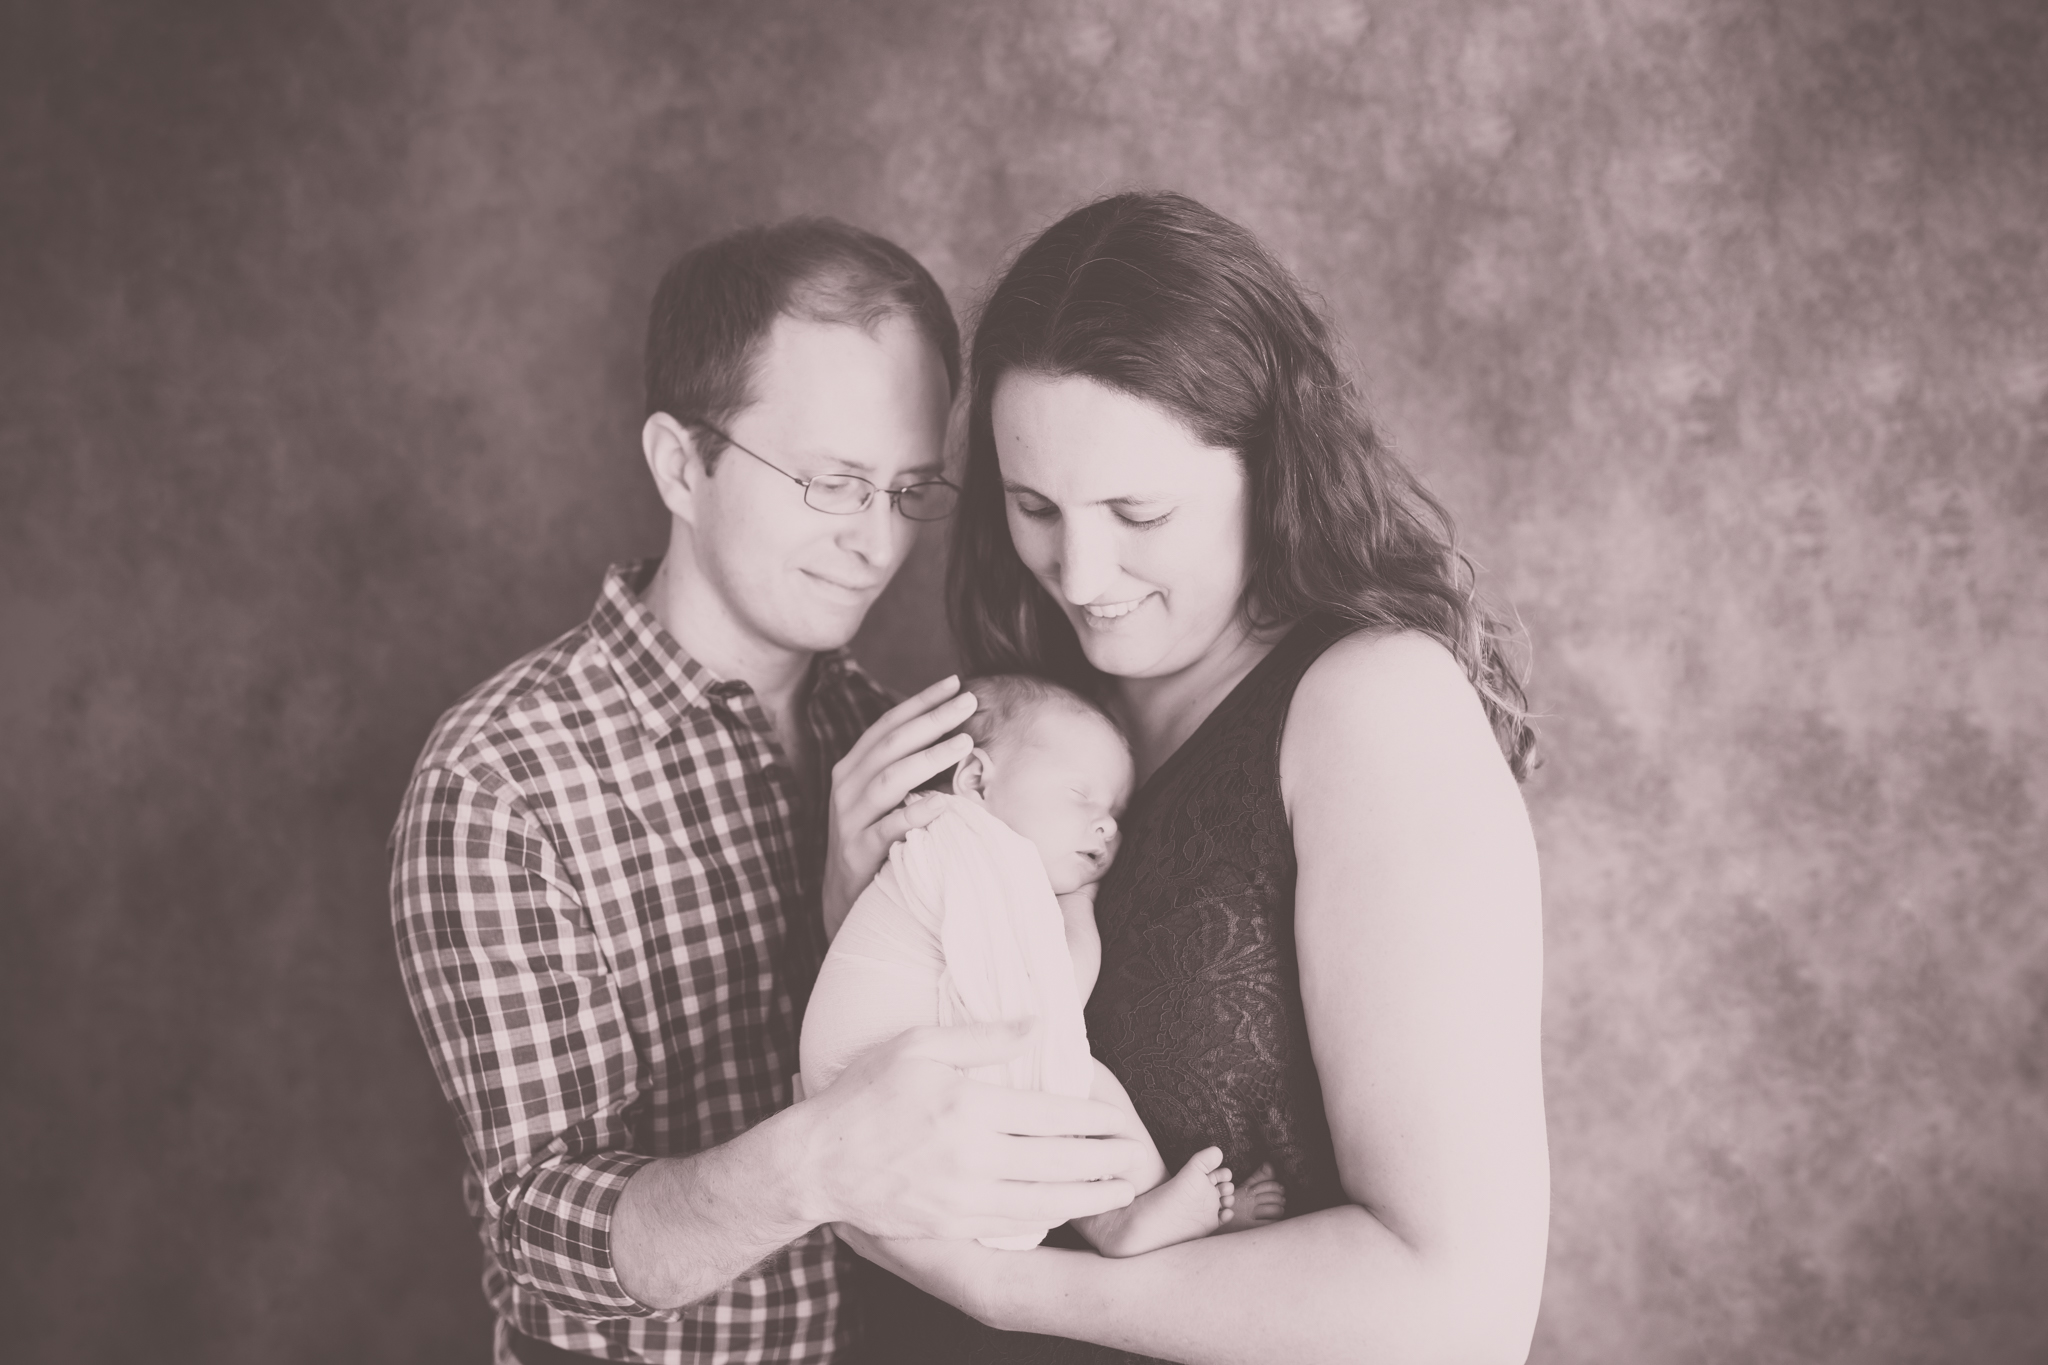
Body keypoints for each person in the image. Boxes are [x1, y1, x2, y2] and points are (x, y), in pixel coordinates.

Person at [390, 218, 1150, 1365]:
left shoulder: (920, 743)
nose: (874, 542)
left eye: (907, 490)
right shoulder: (504, 783)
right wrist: (820, 1156)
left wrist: (854, 915)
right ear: (680, 464)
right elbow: (544, 1230)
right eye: (832, 483)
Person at [843, 191, 1551, 1364]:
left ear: (1267, 466)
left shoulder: (1371, 707)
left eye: (1137, 511)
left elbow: (1457, 1312)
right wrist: (851, 887)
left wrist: (1013, 1290)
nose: (1080, 570)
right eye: (1033, 507)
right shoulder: (1042, 720)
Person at [798, 674, 1288, 1258]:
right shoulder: (967, 850)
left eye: (1116, 812)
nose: (1107, 826)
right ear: (976, 780)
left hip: (861, 1118)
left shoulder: (949, 850)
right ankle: (1131, 1213)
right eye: (1080, 796)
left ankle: (1155, 1217)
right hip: (870, 1113)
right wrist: (1079, 905)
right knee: (1078, 1079)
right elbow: (1050, 998)